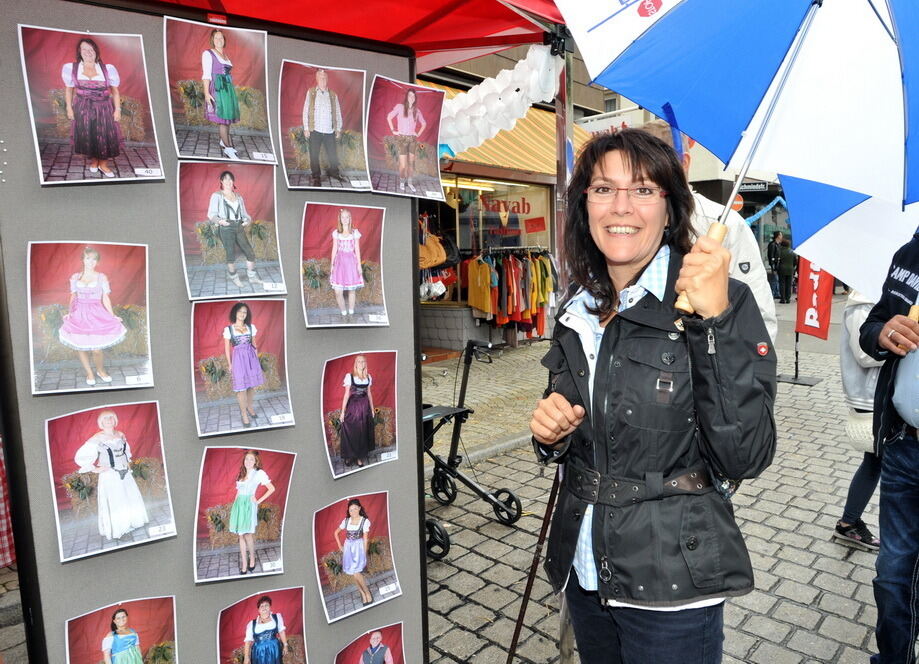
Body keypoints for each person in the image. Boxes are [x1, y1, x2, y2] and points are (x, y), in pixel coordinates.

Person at [528, 129, 776, 663]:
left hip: (672, 585)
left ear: (670, 207)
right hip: (585, 567)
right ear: (583, 205)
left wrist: (713, 323)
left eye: (642, 190)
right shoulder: (579, 306)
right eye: (603, 189)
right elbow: (573, 417)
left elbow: (746, 456)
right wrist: (550, 433)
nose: (621, 207)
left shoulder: (720, 300)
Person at [642, 120, 778, 341]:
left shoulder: (724, 224)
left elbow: (759, 320)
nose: (647, 175)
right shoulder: (631, 220)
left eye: (654, 163)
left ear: (683, 162)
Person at [859, 231, 919, 664]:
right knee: (893, 571)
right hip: (904, 445)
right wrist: (882, 332)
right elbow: (871, 324)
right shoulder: (910, 252)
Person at [834, 291, 882, 550]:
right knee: (876, 463)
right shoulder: (863, 302)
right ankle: (848, 523)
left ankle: (849, 522)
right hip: (869, 396)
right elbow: (865, 353)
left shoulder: (880, 298)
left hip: (880, 395)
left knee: (875, 464)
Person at [74, 410, 149, 541]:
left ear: (115, 420)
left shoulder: (120, 434)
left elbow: (126, 452)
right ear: (101, 422)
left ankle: (133, 522)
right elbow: (81, 457)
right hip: (110, 474)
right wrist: (95, 469)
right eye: (105, 419)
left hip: (125, 472)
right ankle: (119, 529)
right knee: (116, 499)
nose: (109, 421)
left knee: (128, 495)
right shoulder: (96, 438)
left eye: (111, 418)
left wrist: (128, 463)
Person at [58, 245, 128, 387]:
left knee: (96, 349)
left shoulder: (102, 277)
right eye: (88, 258)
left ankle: (100, 370)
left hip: (96, 313)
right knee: (80, 345)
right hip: (79, 313)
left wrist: (112, 315)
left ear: (97, 262)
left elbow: (105, 298)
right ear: (83, 260)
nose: (91, 262)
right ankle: (89, 372)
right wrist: (70, 313)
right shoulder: (75, 277)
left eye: (94, 259)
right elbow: (73, 296)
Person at [63, 38, 122, 178]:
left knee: (105, 135)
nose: (88, 52)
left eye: (91, 49)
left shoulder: (107, 69)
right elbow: (68, 90)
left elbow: (115, 91)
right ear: (80, 52)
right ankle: (94, 161)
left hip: (104, 107)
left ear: (96, 51)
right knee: (89, 134)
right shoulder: (71, 68)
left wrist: (118, 109)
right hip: (82, 107)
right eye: (84, 49)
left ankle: (104, 164)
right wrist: (69, 108)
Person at [207, 170, 262, 289]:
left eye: (230, 179)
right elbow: (211, 214)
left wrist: (247, 220)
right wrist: (221, 221)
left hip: (239, 226)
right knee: (230, 253)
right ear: (221, 181)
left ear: (233, 182)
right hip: (226, 227)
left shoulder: (239, 197)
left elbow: (245, 214)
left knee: (250, 252)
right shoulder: (217, 196)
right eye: (225, 179)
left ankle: (252, 277)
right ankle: (234, 277)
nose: (228, 181)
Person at [229, 450, 275, 576]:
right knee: (240, 536)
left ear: (255, 462)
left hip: (249, 506)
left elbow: (272, 488)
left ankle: (252, 558)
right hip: (239, 505)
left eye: (251, 459)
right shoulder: (242, 474)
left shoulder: (259, 473)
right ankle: (244, 563)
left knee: (247, 535)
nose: (248, 461)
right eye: (246, 459)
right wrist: (234, 506)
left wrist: (257, 501)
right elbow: (238, 492)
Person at [223, 302, 265, 428]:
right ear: (235, 313)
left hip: (251, 358)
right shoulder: (229, 329)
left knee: (252, 386)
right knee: (241, 389)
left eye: (245, 312)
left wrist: (256, 360)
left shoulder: (251, 327)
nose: (242, 314)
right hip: (238, 360)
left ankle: (250, 407)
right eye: (240, 311)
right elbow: (226, 349)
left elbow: (254, 344)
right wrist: (230, 364)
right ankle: (243, 414)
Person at [202, 29, 240, 160]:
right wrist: (207, 93)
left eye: (221, 38)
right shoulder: (208, 54)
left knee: (227, 119)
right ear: (212, 40)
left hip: (227, 89)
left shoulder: (225, 56)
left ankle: (224, 142)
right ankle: (228, 149)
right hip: (218, 88)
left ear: (224, 40)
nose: (219, 40)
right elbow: (206, 75)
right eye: (216, 38)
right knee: (223, 120)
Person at [302, 68, 344, 186]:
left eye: (325, 77)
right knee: (314, 154)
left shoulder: (333, 95)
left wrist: (338, 129)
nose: (323, 79)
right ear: (316, 79)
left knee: (332, 154)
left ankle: (334, 172)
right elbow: (305, 110)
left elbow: (338, 112)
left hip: (329, 130)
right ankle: (316, 176)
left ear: (328, 79)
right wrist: (306, 127)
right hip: (315, 130)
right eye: (321, 77)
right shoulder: (311, 92)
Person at [386, 89, 427, 193]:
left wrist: (418, 133)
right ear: (406, 96)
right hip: (402, 139)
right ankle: (401, 181)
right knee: (403, 165)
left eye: (413, 96)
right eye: (410, 95)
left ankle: (410, 182)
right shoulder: (400, 107)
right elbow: (389, 117)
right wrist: (393, 131)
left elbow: (424, 123)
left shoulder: (417, 111)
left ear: (415, 98)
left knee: (411, 163)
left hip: (412, 139)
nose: (411, 98)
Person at [334, 498, 374, 606]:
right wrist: (340, 546)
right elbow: (336, 533)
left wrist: (364, 552)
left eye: (355, 509)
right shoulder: (346, 521)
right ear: (348, 511)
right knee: (353, 573)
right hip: (348, 548)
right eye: (351, 510)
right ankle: (362, 593)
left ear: (359, 508)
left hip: (358, 548)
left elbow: (365, 538)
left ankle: (367, 592)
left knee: (357, 573)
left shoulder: (364, 521)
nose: (353, 512)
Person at [339, 354, 375, 468]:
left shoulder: (368, 377)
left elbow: (369, 394)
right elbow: (346, 395)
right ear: (356, 363)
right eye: (359, 361)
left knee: (362, 432)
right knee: (351, 432)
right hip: (353, 408)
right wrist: (343, 412)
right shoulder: (349, 376)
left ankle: (359, 457)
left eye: (363, 361)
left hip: (364, 409)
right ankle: (350, 456)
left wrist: (372, 409)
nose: (361, 364)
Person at [329, 208, 364, 317]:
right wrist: (332, 264)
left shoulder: (354, 233)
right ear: (340, 219)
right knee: (338, 291)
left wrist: (359, 265)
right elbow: (334, 249)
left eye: (347, 217)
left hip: (351, 263)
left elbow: (357, 250)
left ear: (350, 218)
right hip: (340, 263)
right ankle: (343, 312)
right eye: (342, 217)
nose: (345, 219)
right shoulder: (336, 233)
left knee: (351, 290)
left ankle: (351, 312)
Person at [243, 595, 288, 664]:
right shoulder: (252, 624)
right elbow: (248, 642)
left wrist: (285, 645)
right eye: (262, 606)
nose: (264, 607)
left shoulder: (277, 617)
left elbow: (281, 632)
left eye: (266, 605)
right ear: (258, 610)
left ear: (270, 607)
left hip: (274, 649)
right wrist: (246, 657)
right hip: (259, 652)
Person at [777, 238, 796, 303]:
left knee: (782, 284)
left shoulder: (780, 251)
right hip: (790, 269)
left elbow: (777, 260)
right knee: (789, 284)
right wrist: (792, 266)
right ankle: (788, 299)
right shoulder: (792, 252)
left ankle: (783, 299)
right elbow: (795, 261)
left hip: (782, 269)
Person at [767, 231, 783, 299]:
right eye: (781, 235)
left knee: (776, 279)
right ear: (778, 236)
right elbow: (771, 256)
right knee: (775, 279)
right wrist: (773, 265)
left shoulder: (778, 244)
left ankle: (776, 293)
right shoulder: (773, 244)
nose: (782, 236)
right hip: (775, 265)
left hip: (778, 264)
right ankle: (773, 293)